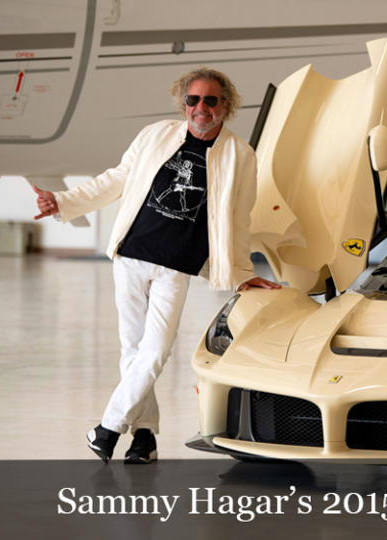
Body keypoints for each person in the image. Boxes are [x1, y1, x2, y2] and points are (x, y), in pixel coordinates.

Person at [32, 67, 280, 464]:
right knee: (133, 352)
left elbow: (239, 218)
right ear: (184, 104)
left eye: (210, 100)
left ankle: (107, 428)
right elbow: (115, 180)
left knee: (155, 352)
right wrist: (63, 201)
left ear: (226, 106)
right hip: (131, 256)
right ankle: (145, 438)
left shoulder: (240, 155)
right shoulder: (154, 135)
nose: (201, 108)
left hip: (176, 267)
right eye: (193, 100)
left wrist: (243, 273)